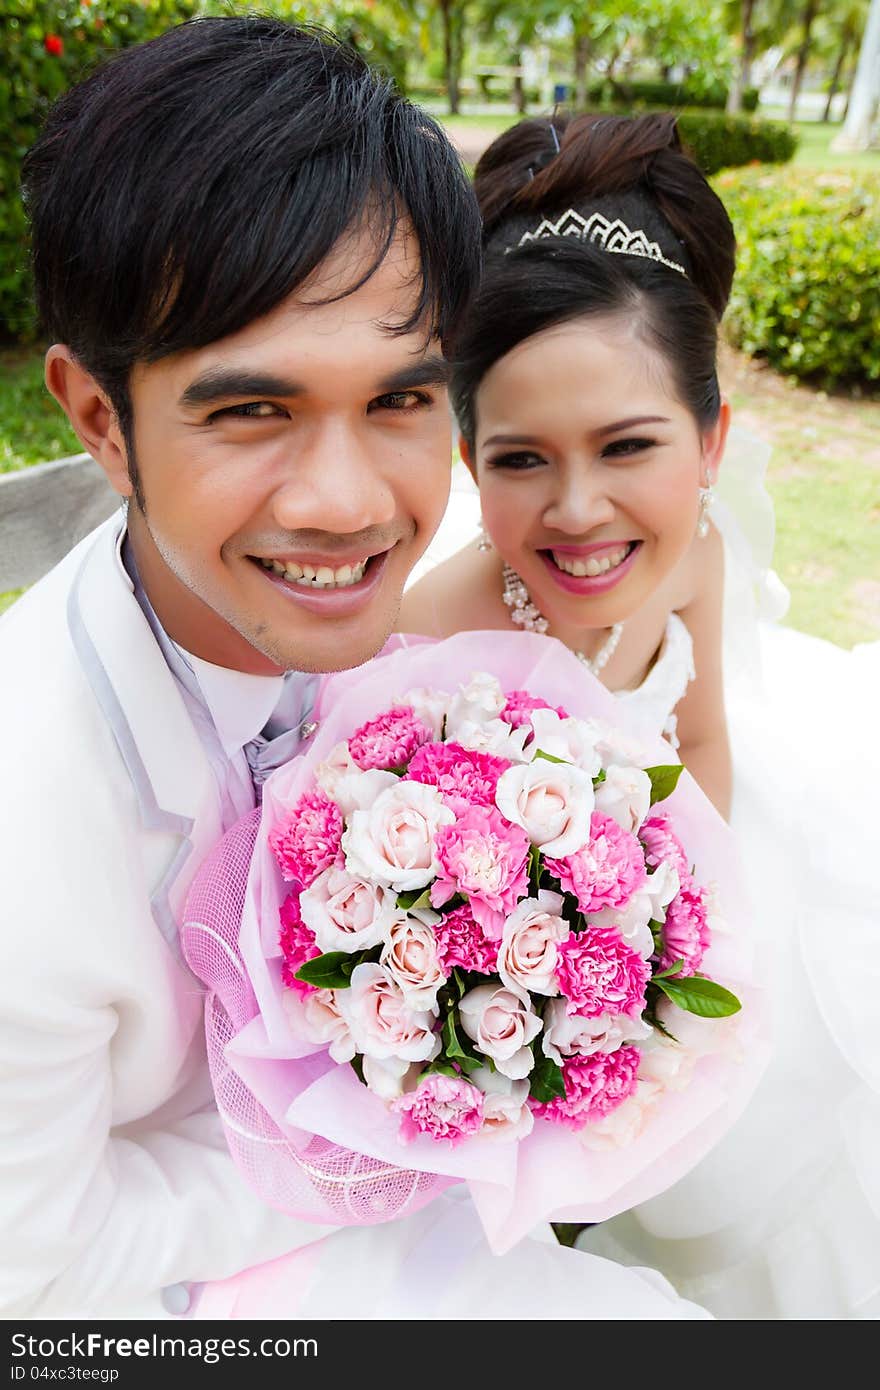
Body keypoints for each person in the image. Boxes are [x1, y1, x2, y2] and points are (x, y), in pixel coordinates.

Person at [0, 21, 710, 1323]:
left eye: (399, 402)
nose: (348, 504)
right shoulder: (22, 819)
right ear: (100, 416)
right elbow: (32, 1264)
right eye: (253, 409)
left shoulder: (419, 648)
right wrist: (362, 1139)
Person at [401, 112, 880, 1320]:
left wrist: (678, 942)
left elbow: (704, 734)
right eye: (519, 460)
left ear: (712, 441)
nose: (577, 511)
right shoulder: (433, 636)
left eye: (628, 446)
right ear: (466, 456)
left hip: (685, 902)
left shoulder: (694, 554)